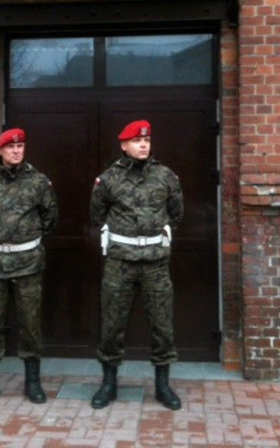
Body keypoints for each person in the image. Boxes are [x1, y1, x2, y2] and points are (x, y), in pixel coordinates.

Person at [89, 119, 184, 410]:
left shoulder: (166, 176)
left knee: (162, 326)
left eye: (147, 141)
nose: (144, 145)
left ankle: (163, 386)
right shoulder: (109, 179)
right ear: (124, 145)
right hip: (120, 263)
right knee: (112, 325)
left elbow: (176, 213)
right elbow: (97, 214)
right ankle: (108, 384)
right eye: (137, 141)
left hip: (155, 263)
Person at [0, 127, 58, 405]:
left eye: (20, 147)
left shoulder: (39, 182)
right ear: (0, 151)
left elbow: (50, 218)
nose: (16, 151)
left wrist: (24, 237)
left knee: (30, 325)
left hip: (27, 264)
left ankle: (32, 382)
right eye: (10, 147)